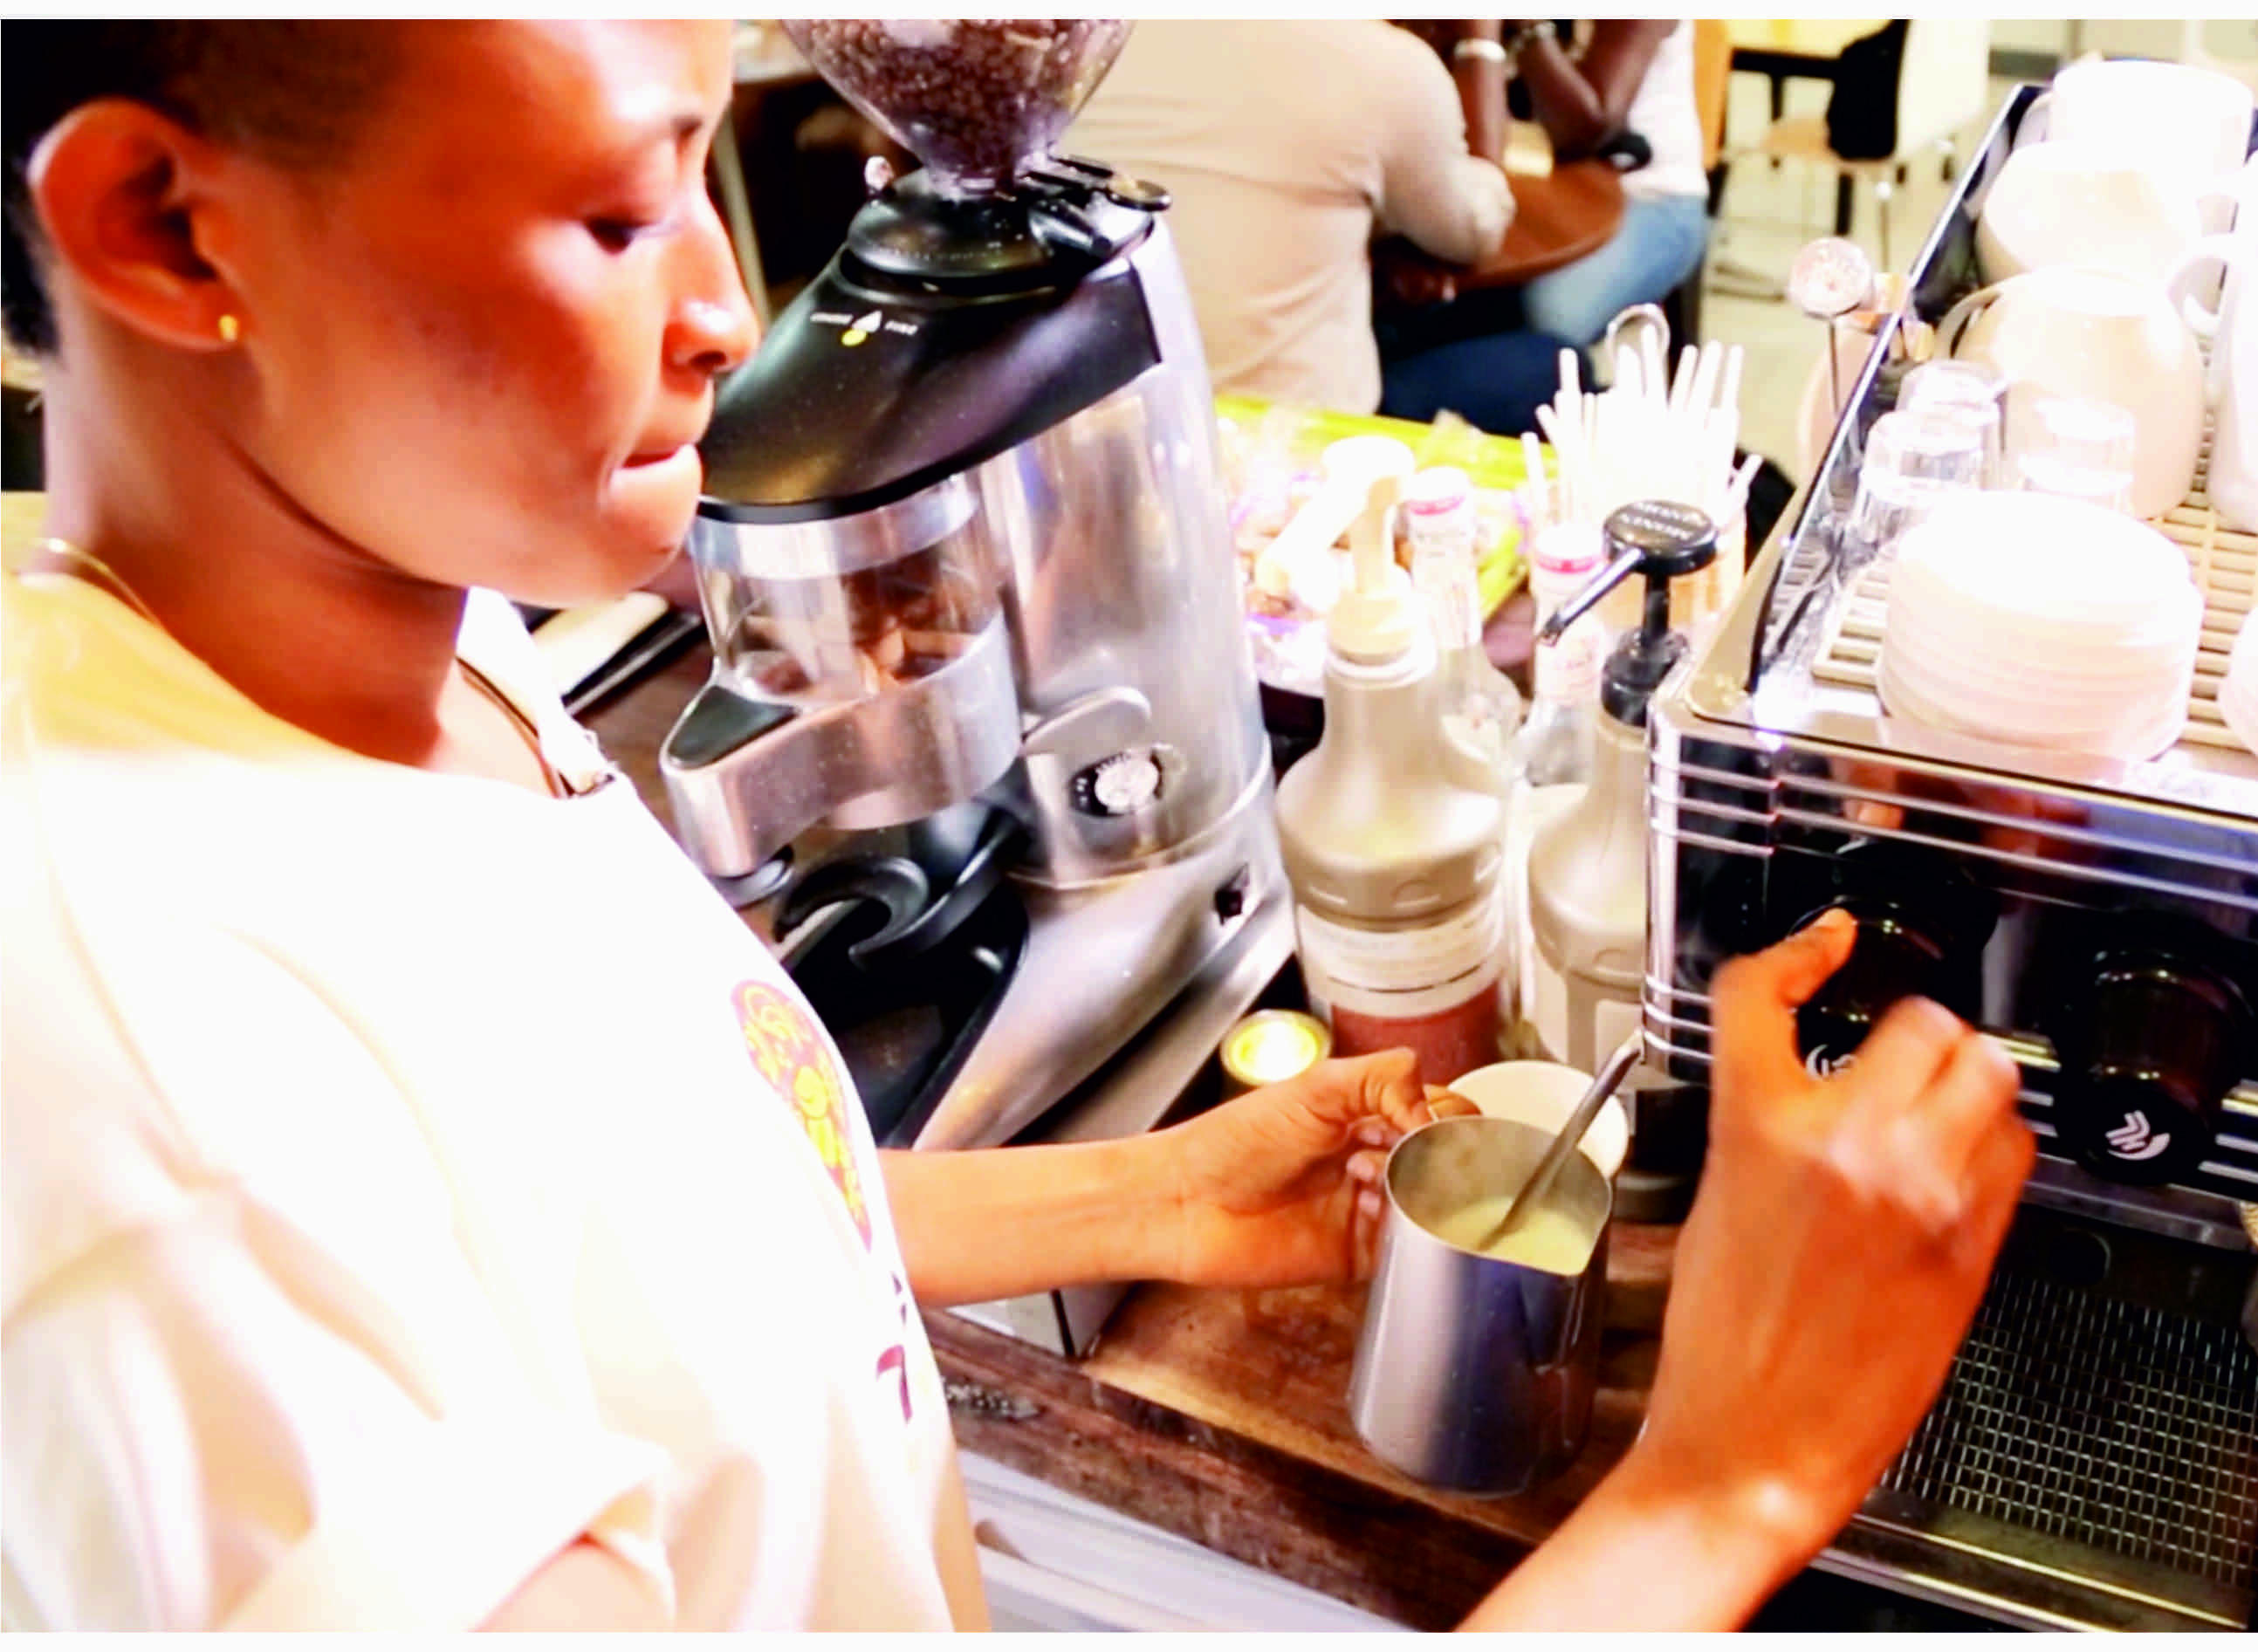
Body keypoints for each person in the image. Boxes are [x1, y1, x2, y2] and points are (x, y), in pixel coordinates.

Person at [0, 20, 2033, 1632]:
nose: (727, 311)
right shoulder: (167, 1157)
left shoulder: (412, 637)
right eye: (620, 214)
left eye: (710, 171)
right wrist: (1720, 1492)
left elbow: (663, 1208)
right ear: (172, 230)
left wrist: (1148, 1197)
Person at [1063, 19, 1516, 419]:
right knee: (1533, 339)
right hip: (1298, 442)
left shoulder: (1085, 40)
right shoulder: (1383, 64)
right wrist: (1481, 42)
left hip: (1115, 424)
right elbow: (1476, 230)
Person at [1505, 19, 1715, 350]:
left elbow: (1589, 130)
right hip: (1539, 191)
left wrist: (1528, 27)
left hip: (1650, 198)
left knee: (1550, 316)